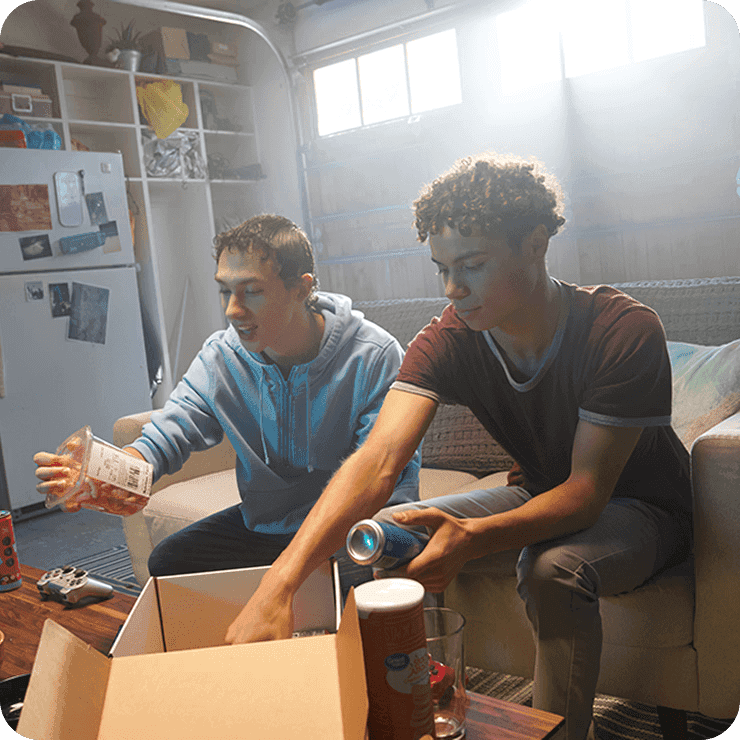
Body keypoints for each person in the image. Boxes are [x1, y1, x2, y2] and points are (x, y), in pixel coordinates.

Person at [225, 154, 693, 740]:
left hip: (644, 509)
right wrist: (279, 584)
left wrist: (472, 537)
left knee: (553, 569)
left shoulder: (621, 329)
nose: (453, 288)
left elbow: (586, 493)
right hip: (536, 491)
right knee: (387, 532)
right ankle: (422, 711)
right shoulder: (450, 336)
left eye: (472, 266)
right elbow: (376, 461)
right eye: (442, 268)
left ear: (536, 243)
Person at [34, 214, 420, 591]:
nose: (233, 310)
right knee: (168, 564)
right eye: (225, 291)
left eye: (252, 291)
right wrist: (96, 475)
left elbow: (377, 479)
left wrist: (296, 568)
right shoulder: (222, 357)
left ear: (301, 289)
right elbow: (166, 435)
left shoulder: (373, 354)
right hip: (267, 529)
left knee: (353, 580)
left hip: (354, 525)